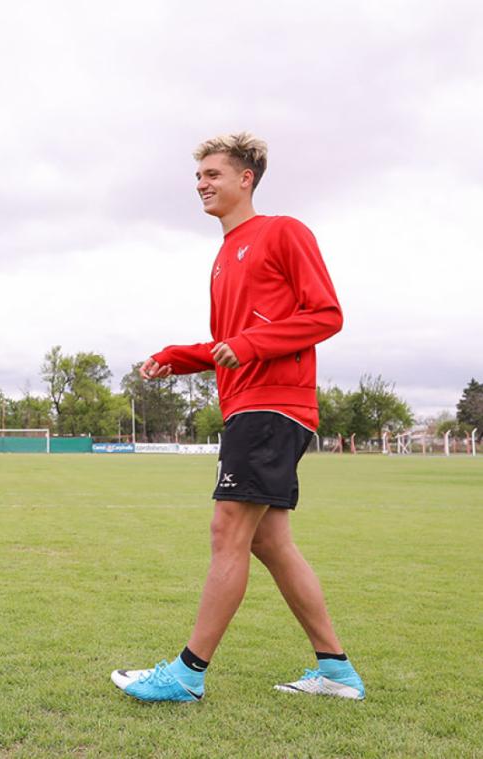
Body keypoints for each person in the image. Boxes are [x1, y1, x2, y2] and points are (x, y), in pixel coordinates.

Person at [111, 133, 365, 703]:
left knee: (227, 529)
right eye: (198, 176)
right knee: (270, 542)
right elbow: (231, 343)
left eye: (212, 174)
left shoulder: (283, 231)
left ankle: (186, 674)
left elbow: (326, 314)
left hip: (274, 404)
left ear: (245, 178)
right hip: (246, 405)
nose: (201, 184)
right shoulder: (225, 255)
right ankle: (337, 672)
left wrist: (250, 345)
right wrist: (178, 358)